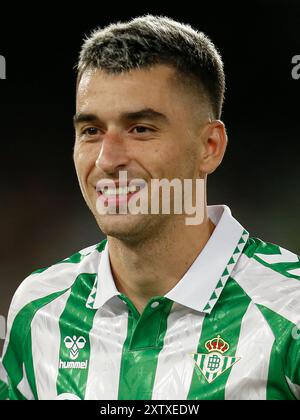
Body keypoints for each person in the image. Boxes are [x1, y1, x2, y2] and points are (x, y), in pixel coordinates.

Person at [1, 15, 300, 401]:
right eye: (91, 131)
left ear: (210, 146)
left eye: (140, 128)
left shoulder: (288, 311)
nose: (108, 159)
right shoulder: (39, 310)